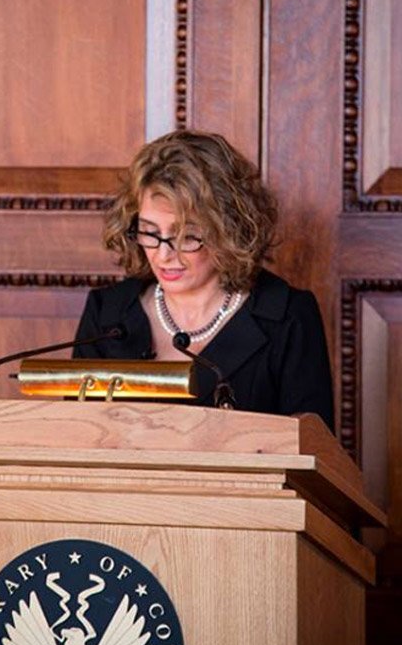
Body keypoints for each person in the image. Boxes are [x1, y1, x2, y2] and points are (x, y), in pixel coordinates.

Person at [73, 130, 334, 430]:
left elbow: (313, 455)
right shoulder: (107, 313)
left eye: (188, 236)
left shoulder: (288, 316)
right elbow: (82, 441)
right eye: (149, 231)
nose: (163, 254)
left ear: (228, 230)